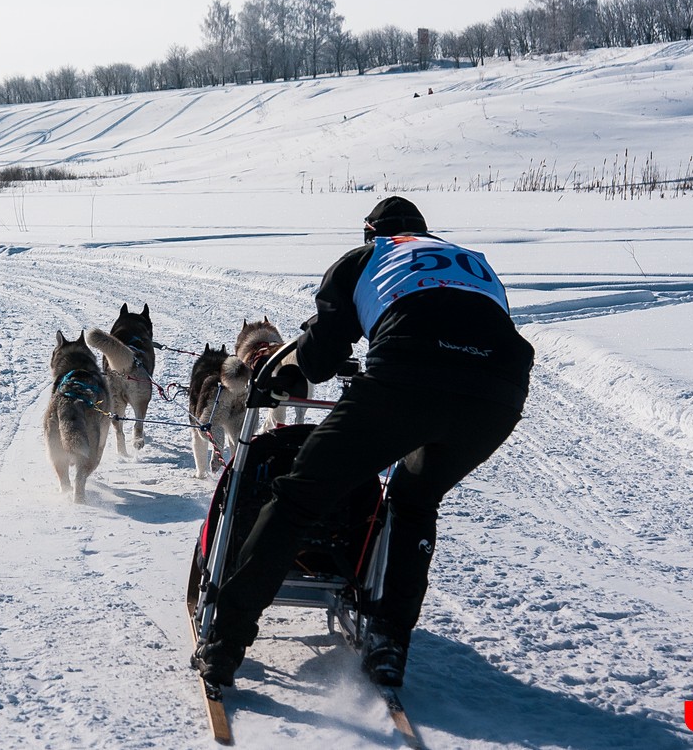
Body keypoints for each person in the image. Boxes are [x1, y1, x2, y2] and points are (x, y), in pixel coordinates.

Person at [193, 196, 534, 688]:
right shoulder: (472, 261)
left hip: (408, 378)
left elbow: (320, 358)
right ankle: (389, 644)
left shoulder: (368, 256)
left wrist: (281, 371)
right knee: (416, 503)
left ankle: (223, 647)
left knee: (296, 498)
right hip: (498, 394)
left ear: (370, 230)